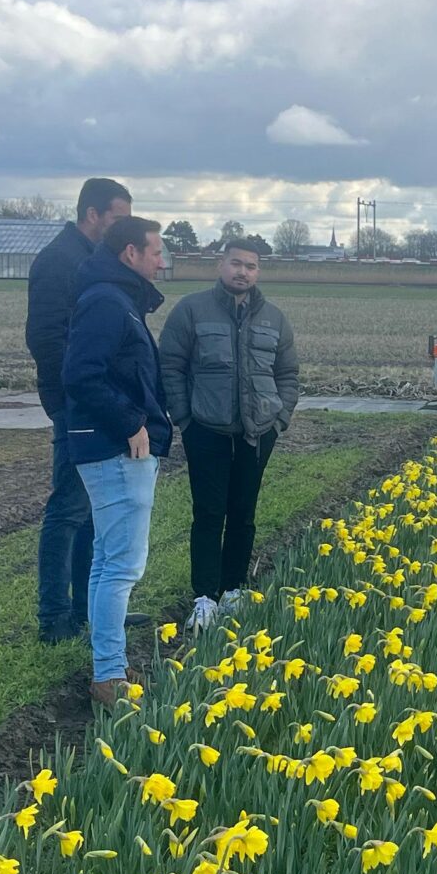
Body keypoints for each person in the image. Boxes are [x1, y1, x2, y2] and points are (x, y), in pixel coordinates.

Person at [159, 238, 299, 627]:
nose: (243, 272)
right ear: (221, 266)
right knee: (208, 512)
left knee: (244, 512)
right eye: (236, 263)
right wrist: (184, 418)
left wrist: (280, 418)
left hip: (258, 433)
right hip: (206, 429)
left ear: (258, 272)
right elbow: (170, 365)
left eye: (251, 266)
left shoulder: (273, 317)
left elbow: (288, 374)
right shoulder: (192, 310)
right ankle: (204, 597)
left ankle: (235, 590)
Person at [61, 214, 171, 703]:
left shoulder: (115, 298)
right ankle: (109, 675)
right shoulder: (107, 302)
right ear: (130, 253)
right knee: (121, 565)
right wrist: (131, 422)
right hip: (116, 448)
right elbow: (81, 374)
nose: (162, 260)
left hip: (110, 445)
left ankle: (107, 664)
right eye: (156, 252)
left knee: (107, 561)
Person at [25, 177, 134, 642]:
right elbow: (46, 338)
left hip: (99, 401)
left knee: (93, 508)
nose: (123, 228)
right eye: (118, 218)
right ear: (93, 214)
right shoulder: (59, 261)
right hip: (77, 404)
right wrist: (74, 396)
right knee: (68, 507)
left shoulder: (94, 261)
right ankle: (55, 617)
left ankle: (91, 609)